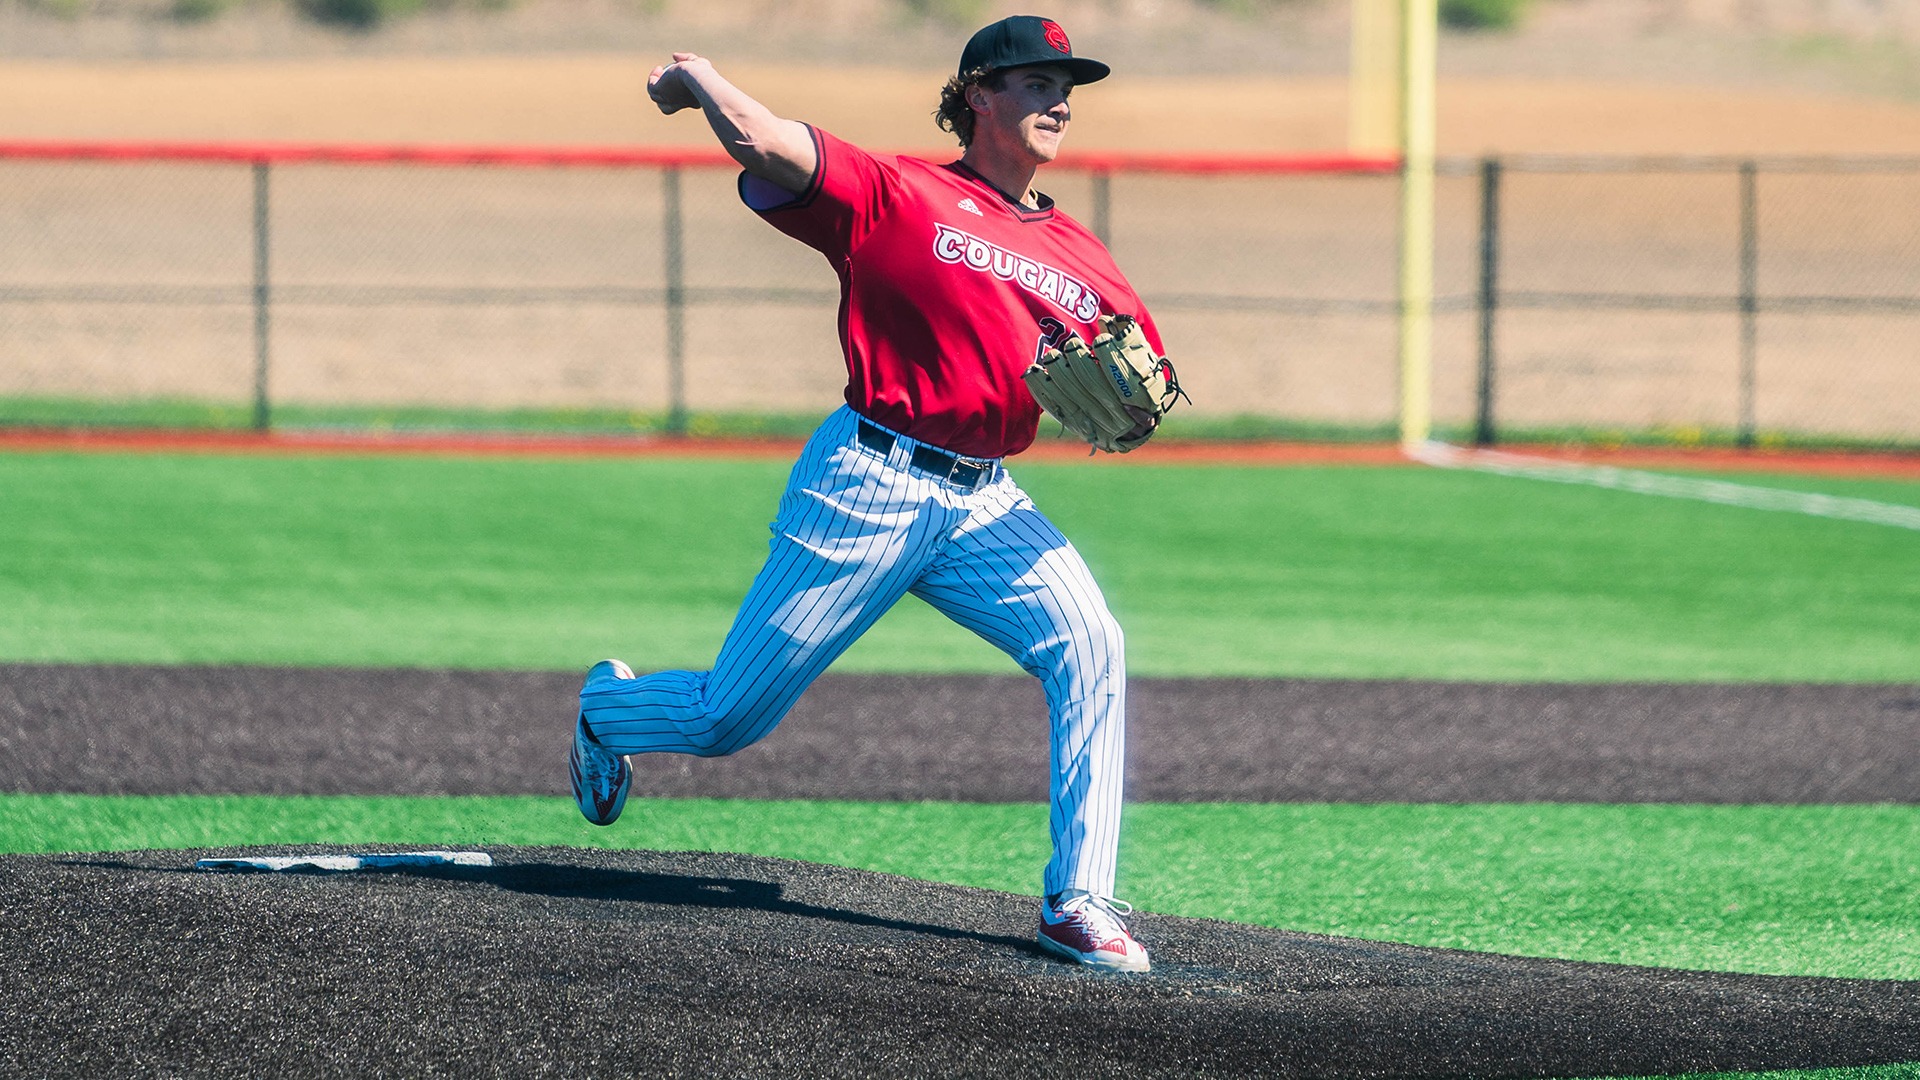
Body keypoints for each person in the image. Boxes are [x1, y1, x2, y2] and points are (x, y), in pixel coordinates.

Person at [569, 15, 1167, 974]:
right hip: (869, 481)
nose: (1057, 99)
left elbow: (1141, 380)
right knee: (730, 718)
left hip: (987, 504)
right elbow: (768, 145)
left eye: (1068, 84)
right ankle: (611, 711)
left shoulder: (1079, 253)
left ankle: (1078, 902)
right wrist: (703, 80)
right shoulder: (898, 191)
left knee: (1092, 642)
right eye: (1033, 81)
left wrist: (1133, 410)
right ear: (977, 93)